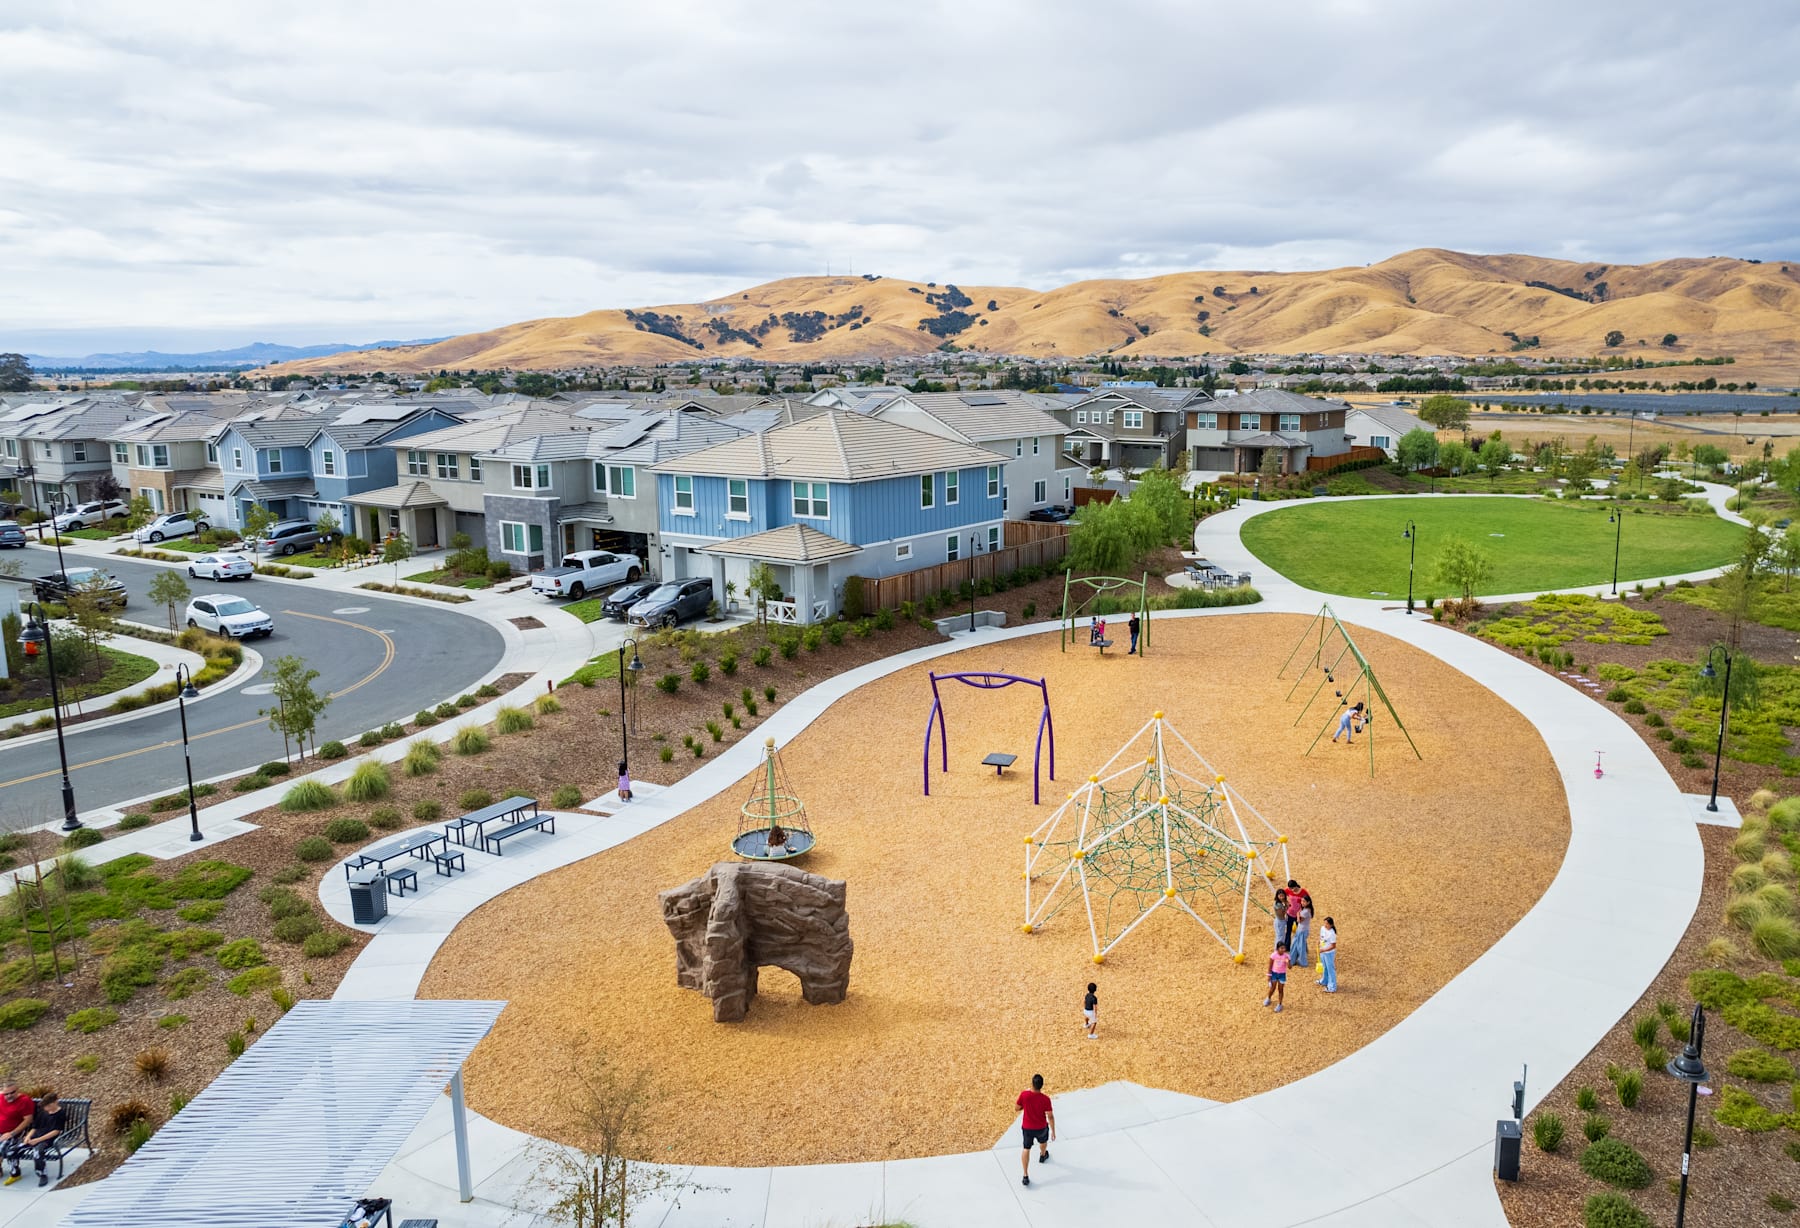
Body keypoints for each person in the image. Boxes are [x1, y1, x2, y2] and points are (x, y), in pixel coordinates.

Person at [15, 1091, 65, 1187]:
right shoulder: (43, 1112)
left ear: (55, 1102)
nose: (46, 1109)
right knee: (13, 1149)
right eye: (45, 1107)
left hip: (48, 1139)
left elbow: (56, 1131)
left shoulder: (60, 1113)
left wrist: (38, 1140)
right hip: (35, 1136)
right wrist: (28, 1137)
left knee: (37, 1152)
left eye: (48, 1106)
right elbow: (35, 1127)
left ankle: (42, 1174)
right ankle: (15, 1172)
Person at [1015, 1074, 1055, 1186]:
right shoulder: (1046, 1099)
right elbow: (1050, 1116)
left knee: (1026, 1148)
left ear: (1032, 1084)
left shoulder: (1024, 1095)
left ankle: (1025, 1175)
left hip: (1027, 1127)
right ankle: (1042, 1155)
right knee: (1043, 1142)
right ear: (1042, 1086)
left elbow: (1016, 1108)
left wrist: (1025, 1105)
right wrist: (1053, 1131)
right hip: (1041, 1127)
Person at [0, 1080, 35, 1185]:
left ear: (17, 1090)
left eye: (12, 1092)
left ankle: (14, 1173)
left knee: (2, 1148)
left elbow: (28, 1120)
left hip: (15, 1133)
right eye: (6, 1094)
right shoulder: (1, 1097)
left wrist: (12, 1133)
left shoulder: (25, 1101)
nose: (9, 1096)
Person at [1264, 940, 1291, 1013]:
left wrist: (1288, 962)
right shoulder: (1273, 955)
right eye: (1281, 948)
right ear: (1277, 949)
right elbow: (1270, 966)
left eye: (1284, 948)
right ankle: (1268, 998)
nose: (1283, 950)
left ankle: (1280, 1004)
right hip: (1274, 974)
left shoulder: (1287, 956)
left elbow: (1290, 967)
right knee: (1272, 988)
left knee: (1280, 990)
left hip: (1282, 974)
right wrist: (1269, 975)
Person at [1290, 895, 1313, 972]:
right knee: (1296, 945)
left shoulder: (1306, 911)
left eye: (1304, 901)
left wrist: (1297, 914)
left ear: (1308, 902)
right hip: (1301, 930)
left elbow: (1299, 921)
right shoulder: (1307, 909)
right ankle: (1293, 960)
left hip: (1302, 931)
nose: (1302, 903)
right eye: (1302, 901)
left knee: (1300, 947)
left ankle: (1302, 962)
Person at [1318, 917, 1339, 993]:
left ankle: (1332, 987)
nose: (1325, 925)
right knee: (1325, 967)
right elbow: (1321, 937)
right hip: (1323, 951)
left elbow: (1333, 946)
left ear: (1331, 925)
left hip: (1329, 953)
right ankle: (1324, 981)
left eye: (1327, 923)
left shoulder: (1332, 933)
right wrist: (1319, 942)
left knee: (1330, 969)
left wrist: (1323, 949)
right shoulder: (1322, 928)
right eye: (1325, 923)